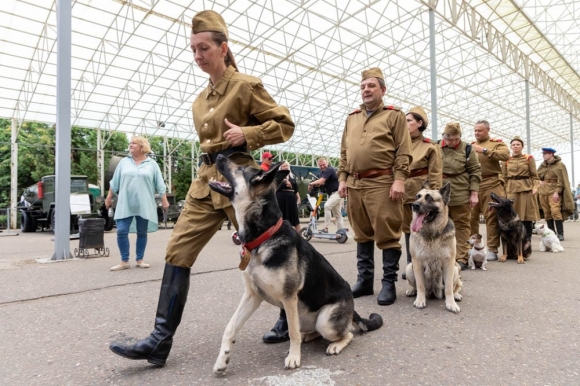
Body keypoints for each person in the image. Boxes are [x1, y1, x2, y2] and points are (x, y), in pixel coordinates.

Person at [108, 10, 294, 365]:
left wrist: (248, 134)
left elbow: (284, 124)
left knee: (271, 246)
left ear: (223, 49)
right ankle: (160, 340)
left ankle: (288, 318)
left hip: (239, 179)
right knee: (178, 250)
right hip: (206, 180)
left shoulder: (246, 86)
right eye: (193, 49)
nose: (197, 55)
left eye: (204, 48)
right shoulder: (199, 99)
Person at [338, 67, 412, 306]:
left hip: (383, 182)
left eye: (371, 86)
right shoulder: (351, 118)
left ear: (383, 90)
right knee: (361, 233)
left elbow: (403, 151)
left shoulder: (394, 115)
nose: (366, 90)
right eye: (362, 86)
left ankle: (388, 283)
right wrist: (342, 178)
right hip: (355, 183)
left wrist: (399, 179)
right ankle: (365, 280)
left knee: (388, 234)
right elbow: (343, 152)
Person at [105, 136, 168, 271]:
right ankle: (124, 261)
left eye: (134, 143)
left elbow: (160, 184)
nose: (130, 145)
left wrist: (164, 200)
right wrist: (109, 197)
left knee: (141, 232)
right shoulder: (123, 162)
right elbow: (114, 181)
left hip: (144, 203)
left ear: (142, 147)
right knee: (121, 230)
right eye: (130, 143)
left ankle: (140, 259)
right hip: (125, 202)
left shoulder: (152, 164)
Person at [401, 107, 442, 280]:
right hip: (402, 191)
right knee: (409, 230)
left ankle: (432, 268)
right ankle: (413, 266)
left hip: (421, 194)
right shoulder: (398, 144)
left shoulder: (430, 146)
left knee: (424, 230)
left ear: (420, 123)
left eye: (409, 120)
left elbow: (435, 174)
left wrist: (434, 198)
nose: (405, 123)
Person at [440, 122, 482, 270]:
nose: (453, 142)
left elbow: (475, 171)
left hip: (461, 191)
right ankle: (441, 257)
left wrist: (474, 193)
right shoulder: (436, 147)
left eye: (456, 139)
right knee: (439, 225)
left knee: (462, 224)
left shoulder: (468, 149)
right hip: (440, 192)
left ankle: (461, 257)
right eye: (450, 139)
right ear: (444, 136)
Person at [469, 120, 509, 261]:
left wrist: (485, 150)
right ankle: (472, 248)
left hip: (491, 183)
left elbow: (505, 155)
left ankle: (492, 249)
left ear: (487, 130)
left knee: (491, 217)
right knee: (471, 218)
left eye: (479, 130)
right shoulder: (470, 145)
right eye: (475, 131)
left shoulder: (496, 143)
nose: (476, 133)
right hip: (473, 184)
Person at [501, 136, 539, 248]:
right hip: (511, 189)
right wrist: (504, 192)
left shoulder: (529, 158)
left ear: (522, 146)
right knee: (512, 218)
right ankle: (513, 244)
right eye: (513, 145)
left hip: (526, 189)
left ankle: (527, 243)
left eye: (518, 144)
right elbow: (503, 177)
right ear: (511, 147)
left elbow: (534, 176)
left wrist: (535, 187)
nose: (515, 146)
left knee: (526, 217)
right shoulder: (506, 160)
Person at [537, 147, 574, 241]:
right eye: (543, 153)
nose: (543, 155)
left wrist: (557, 192)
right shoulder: (542, 165)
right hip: (543, 191)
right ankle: (551, 233)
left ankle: (560, 233)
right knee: (547, 213)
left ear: (551, 154)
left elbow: (562, 180)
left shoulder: (559, 165)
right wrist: (538, 181)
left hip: (554, 191)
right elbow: (536, 176)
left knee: (555, 211)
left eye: (545, 153)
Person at [308, 158, 343, 233]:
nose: (322, 166)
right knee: (337, 214)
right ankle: (340, 231)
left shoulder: (329, 169)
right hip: (332, 194)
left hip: (337, 192)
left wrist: (311, 184)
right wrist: (313, 184)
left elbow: (321, 181)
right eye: (320, 165)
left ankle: (326, 228)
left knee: (327, 206)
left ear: (327, 163)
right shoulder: (322, 173)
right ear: (318, 166)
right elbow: (321, 183)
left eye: (323, 164)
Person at [276, 161, 301, 233]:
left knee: (294, 216)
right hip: (281, 198)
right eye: (284, 166)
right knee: (282, 216)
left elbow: (296, 189)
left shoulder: (292, 177)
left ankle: (299, 235)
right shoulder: (277, 177)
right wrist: (284, 182)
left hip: (291, 198)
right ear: (281, 167)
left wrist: (298, 198)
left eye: (287, 166)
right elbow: (275, 187)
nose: (285, 167)